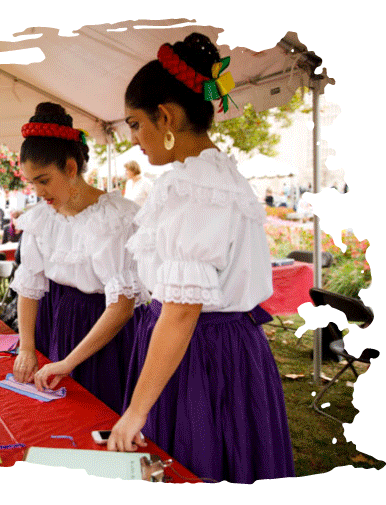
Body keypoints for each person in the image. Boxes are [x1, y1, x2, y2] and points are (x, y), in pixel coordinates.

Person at [109, 32, 295, 483]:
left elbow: (182, 310)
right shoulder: (211, 174)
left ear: (166, 116)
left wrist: (136, 410)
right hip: (213, 349)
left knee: (198, 464)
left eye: (135, 123)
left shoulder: (195, 186)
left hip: (202, 356)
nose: (132, 137)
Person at [9, 102, 149, 414]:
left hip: (105, 334)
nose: (38, 192)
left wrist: (70, 362)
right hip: (57, 321)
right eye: (31, 183)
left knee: (100, 414)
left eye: (44, 180)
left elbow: (122, 306)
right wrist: (27, 348)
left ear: (71, 168)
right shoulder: (41, 220)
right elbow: (29, 289)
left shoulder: (116, 218)